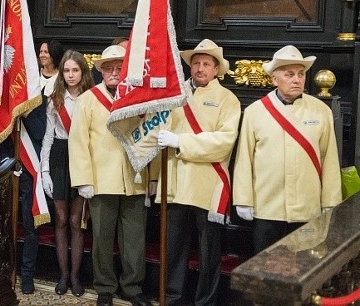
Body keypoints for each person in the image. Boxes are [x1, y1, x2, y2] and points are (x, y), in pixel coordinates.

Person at [155, 39, 241, 306]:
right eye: (196, 63)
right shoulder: (175, 96)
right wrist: (156, 178)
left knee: (209, 255)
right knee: (173, 253)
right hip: (176, 184)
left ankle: (206, 302)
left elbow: (223, 143)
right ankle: (172, 299)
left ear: (216, 70)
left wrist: (182, 142)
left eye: (206, 64)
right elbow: (159, 137)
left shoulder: (228, 99)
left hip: (209, 187)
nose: (200, 68)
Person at [233, 45, 342, 253]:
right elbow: (244, 159)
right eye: (289, 74)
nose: (297, 79)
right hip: (267, 206)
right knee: (265, 268)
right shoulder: (255, 111)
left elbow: (330, 159)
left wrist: (330, 200)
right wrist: (243, 199)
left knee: (305, 271)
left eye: (301, 74)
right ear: (274, 79)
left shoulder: (321, 111)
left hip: (307, 205)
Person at [69, 45, 153, 306]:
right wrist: (84, 180)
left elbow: (151, 138)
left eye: (119, 68)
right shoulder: (87, 100)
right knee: (102, 239)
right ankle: (105, 286)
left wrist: (154, 176)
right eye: (109, 68)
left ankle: (132, 286)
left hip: (135, 178)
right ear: (101, 72)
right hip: (101, 181)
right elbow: (78, 142)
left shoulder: (140, 99)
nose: (114, 73)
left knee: (134, 240)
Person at [41, 50, 95, 296]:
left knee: (76, 221)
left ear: (83, 72)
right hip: (60, 157)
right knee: (61, 220)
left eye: (75, 70)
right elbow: (48, 137)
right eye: (66, 70)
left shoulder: (91, 97)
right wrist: (45, 170)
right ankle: (63, 275)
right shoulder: (55, 99)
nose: (71, 75)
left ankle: (76, 275)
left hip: (82, 157)